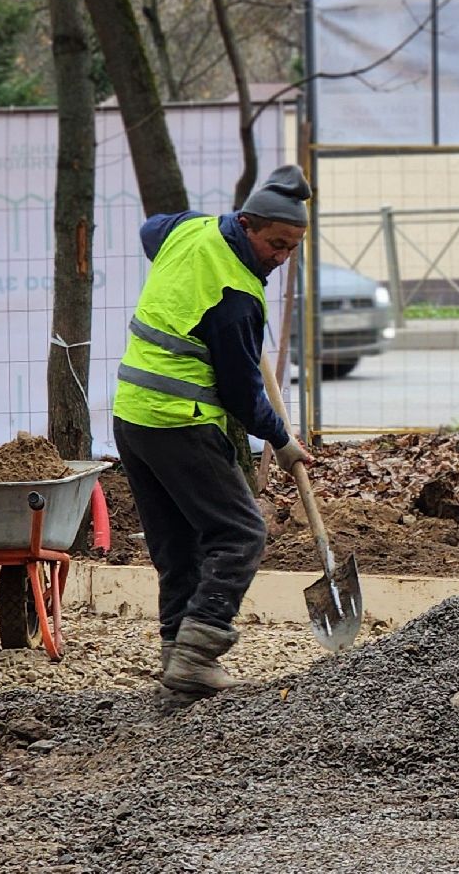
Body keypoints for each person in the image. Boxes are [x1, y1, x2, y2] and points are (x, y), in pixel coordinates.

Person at [112, 165, 313, 697]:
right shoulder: (236, 298)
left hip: (133, 418)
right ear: (247, 224)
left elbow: (150, 229)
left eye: (292, 248)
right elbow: (243, 397)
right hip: (180, 422)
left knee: (177, 546)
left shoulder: (188, 231)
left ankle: (177, 665)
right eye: (275, 243)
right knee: (240, 533)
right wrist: (283, 440)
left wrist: (201, 226)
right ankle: (199, 658)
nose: (280, 257)